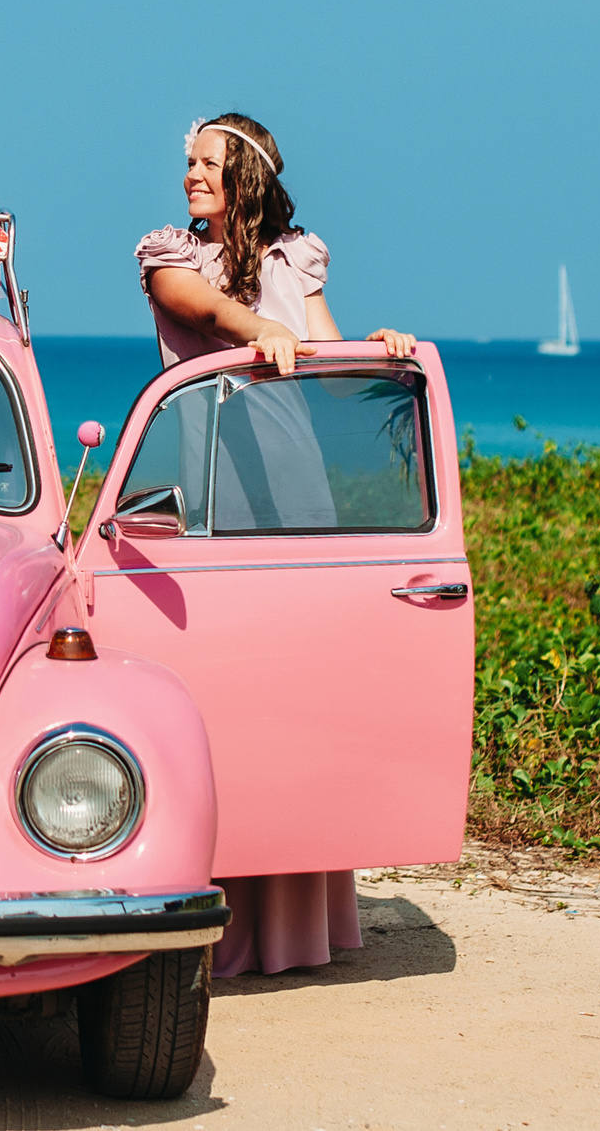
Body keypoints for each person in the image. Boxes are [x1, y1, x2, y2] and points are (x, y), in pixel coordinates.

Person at [133, 110, 414, 978]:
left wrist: (383, 349)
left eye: (207, 162)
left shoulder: (297, 257)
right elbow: (201, 310)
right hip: (212, 487)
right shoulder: (169, 255)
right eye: (186, 160)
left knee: (291, 693)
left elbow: (329, 353)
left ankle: (294, 923)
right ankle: (214, 917)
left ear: (245, 176)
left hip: (295, 491)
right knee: (217, 693)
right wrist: (261, 331)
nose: (190, 174)